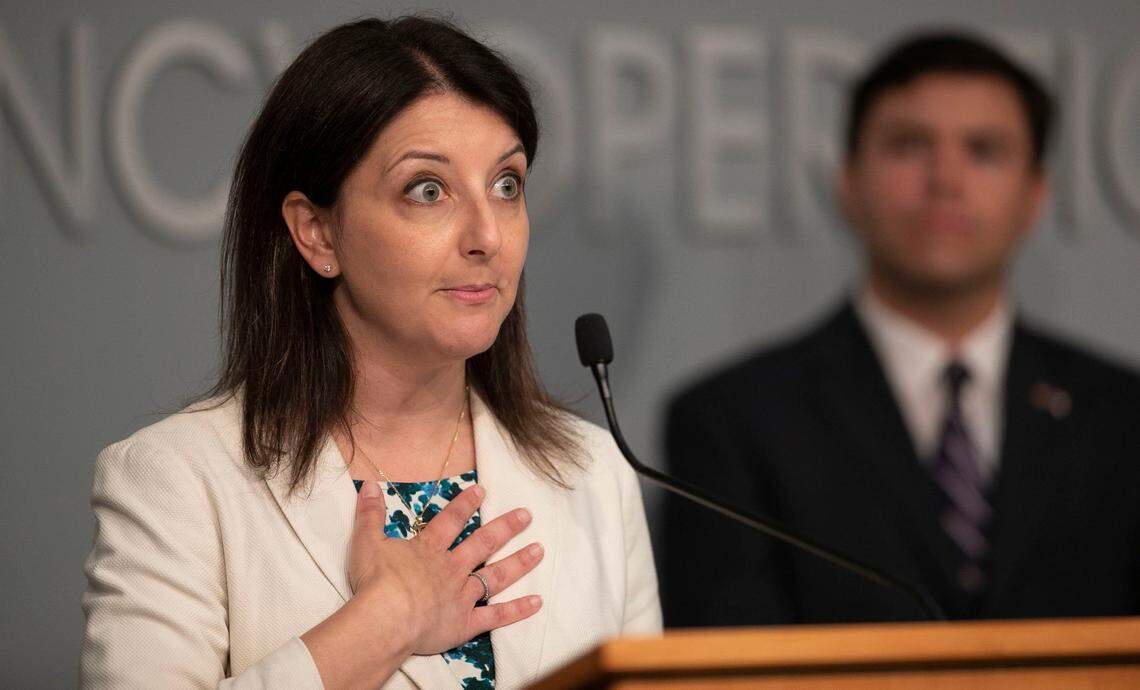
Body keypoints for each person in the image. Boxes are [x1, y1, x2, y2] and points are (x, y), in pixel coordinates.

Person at [81, 16, 661, 689]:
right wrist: (384, 622)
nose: (486, 236)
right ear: (318, 233)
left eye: (506, 185)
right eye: (428, 190)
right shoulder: (178, 482)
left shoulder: (593, 474)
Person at [662, 31, 1140, 626]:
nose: (945, 179)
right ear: (849, 183)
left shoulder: (1122, 418)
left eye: (984, 150)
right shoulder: (734, 421)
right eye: (909, 146)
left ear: (1034, 197)